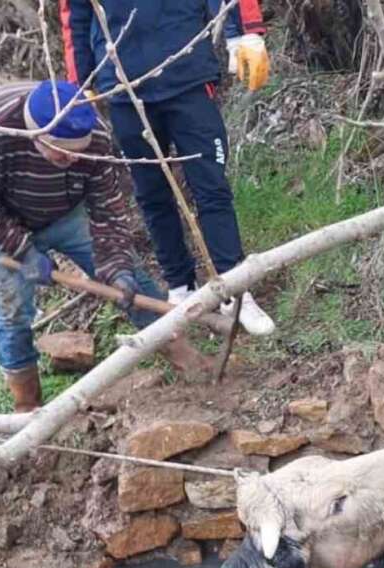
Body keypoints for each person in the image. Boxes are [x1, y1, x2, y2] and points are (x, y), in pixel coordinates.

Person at [0, 79, 212, 412]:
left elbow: (107, 210)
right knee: (12, 311)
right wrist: (23, 250)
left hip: (63, 211)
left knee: (132, 279)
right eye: (59, 152)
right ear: (36, 134)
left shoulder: (98, 139)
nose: (70, 159)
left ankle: (190, 362)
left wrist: (116, 266)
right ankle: (27, 409)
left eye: (76, 153)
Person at [61, 0, 277, 336]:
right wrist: (80, 80)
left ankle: (235, 289)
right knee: (151, 194)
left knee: (212, 188)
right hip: (123, 85)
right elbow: (75, 13)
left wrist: (244, 32)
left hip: (187, 71)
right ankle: (180, 287)